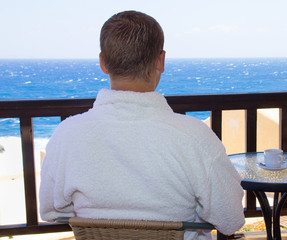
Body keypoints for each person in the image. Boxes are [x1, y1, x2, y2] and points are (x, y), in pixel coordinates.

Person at [39, 10, 245, 239]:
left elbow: (51, 210)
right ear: (160, 61)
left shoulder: (67, 135)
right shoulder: (194, 137)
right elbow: (231, 219)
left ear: (103, 63)